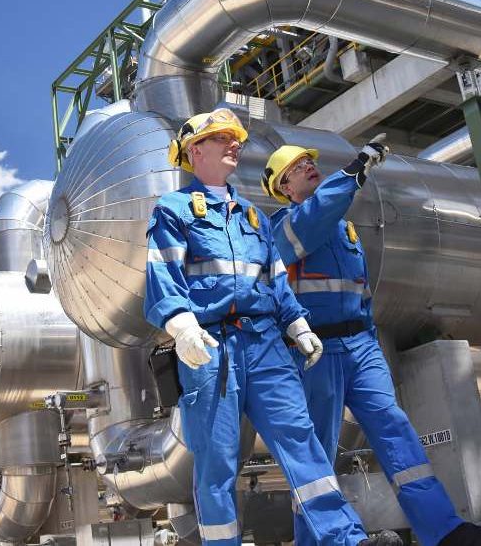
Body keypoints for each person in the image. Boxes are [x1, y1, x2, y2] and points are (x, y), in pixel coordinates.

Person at [145, 108, 402, 546]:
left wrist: (297, 323)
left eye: (236, 139)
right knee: (217, 460)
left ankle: (344, 539)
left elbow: (276, 279)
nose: (235, 144)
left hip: (265, 343)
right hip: (211, 347)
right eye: (224, 138)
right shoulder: (172, 210)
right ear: (195, 150)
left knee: (301, 439)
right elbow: (162, 273)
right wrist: (181, 324)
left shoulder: (252, 217)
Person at [262, 138, 481, 546]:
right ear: (283, 188)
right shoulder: (283, 227)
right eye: (297, 167)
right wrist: (353, 171)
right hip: (314, 352)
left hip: (360, 346)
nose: (309, 166)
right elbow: (317, 216)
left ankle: (445, 532)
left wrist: (369, 338)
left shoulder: (344, 228)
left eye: (310, 161)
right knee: (317, 454)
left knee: (396, 431)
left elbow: (358, 289)